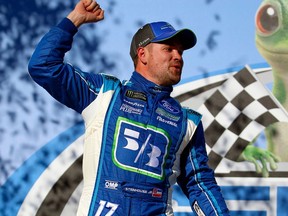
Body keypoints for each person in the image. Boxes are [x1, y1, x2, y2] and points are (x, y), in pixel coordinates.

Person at [28, 0, 230, 215]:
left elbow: (199, 184)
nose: (178, 56)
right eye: (168, 49)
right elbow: (43, 66)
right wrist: (74, 20)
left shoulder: (186, 122)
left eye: (180, 52)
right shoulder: (104, 93)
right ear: (142, 54)